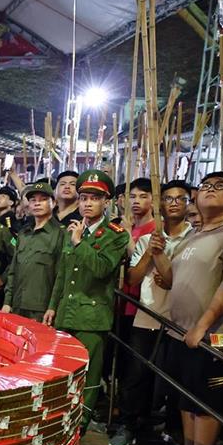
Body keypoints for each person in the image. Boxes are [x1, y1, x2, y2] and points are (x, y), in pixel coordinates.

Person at [156, 171, 223, 445]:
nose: (211, 189)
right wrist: (157, 254)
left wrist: (204, 324)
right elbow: (171, 280)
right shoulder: (194, 236)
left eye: (220, 186)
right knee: (186, 394)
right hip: (180, 329)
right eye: (206, 186)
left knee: (204, 397)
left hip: (213, 332)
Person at [109, 179, 194, 445]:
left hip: (180, 321)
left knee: (172, 381)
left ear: (189, 203)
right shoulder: (148, 238)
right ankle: (129, 424)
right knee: (136, 375)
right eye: (168, 198)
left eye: (180, 198)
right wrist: (149, 252)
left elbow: (173, 281)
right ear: (160, 204)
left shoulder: (195, 239)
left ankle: (170, 433)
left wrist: (163, 263)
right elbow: (132, 278)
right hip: (148, 314)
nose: (173, 203)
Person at [45, 169, 130, 430]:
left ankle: (79, 426)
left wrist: (79, 243)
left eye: (95, 198)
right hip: (66, 314)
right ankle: (58, 423)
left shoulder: (116, 234)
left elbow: (103, 269)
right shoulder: (74, 230)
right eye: (83, 198)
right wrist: (52, 306)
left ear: (107, 202)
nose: (88, 203)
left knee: (88, 377)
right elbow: (62, 274)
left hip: (92, 318)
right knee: (61, 373)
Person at [1, 182, 64, 321]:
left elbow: (61, 275)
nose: (37, 203)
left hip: (42, 308)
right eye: (33, 200)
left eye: (43, 199)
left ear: (53, 203)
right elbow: (13, 271)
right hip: (17, 305)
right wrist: (7, 302)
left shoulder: (61, 234)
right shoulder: (24, 233)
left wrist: (53, 307)